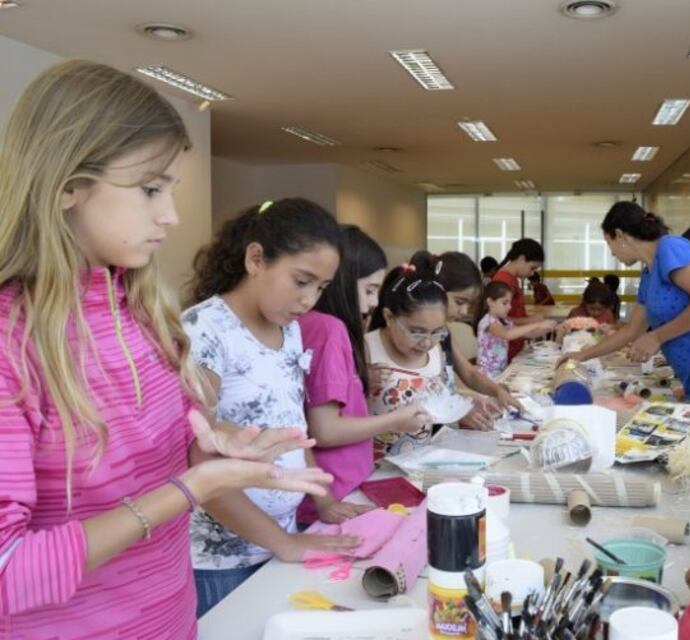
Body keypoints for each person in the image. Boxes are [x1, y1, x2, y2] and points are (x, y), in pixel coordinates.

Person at [0, 60, 331, 637]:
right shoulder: (12, 344)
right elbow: (9, 574)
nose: (172, 216)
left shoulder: (142, 314)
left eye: (171, 189)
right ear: (66, 188)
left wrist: (214, 448)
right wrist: (189, 491)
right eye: (150, 189)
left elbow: (151, 460)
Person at [184, 198, 363, 616]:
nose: (309, 300)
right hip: (223, 560)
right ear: (256, 259)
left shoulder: (291, 331)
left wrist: (320, 499)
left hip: (280, 542)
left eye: (321, 287)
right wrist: (283, 542)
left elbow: (293, 426)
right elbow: (201, 463)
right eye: (301, 281)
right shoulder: (203, 330)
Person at [298, 226, 429, 524]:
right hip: (335, 492)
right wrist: (396, 420)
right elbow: (324, 430)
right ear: (341, 281)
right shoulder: (329, 328)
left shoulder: (314, 325)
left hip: (338, 486)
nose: (372, 303)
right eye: (369, 290)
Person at [561, 203, 690, 403]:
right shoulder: (649, 272)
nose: (612, 253)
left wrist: (657, 337)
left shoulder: (670, 247)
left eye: (609, 243)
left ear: (620, 235)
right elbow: (632, 330)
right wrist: (582, 356)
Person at [408, 250, 525, 426]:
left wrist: (497, 391)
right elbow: (417, 392)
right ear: (436, 291)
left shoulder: (443, 333)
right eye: (460, 302)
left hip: (433, 430)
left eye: (468, 305)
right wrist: (459, 409)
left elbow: (469, 373)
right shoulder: (415, 338)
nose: (464, 312)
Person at [365, 266, 449, 457]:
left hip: (418, 462)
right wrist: (361, 383)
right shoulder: (367, 349)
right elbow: (338, 417)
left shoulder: (435, 351)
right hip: (372, 467)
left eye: (437, 332)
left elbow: (440, 398)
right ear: (388, 317)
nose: (427, 342)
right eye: (416, 332)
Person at [475, 281, 557, 378]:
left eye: (510, 303)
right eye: (505, 303)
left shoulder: (503, 322)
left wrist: (550, 326)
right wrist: (537, 324)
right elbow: (507, 334)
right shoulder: (487, 322)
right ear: (490, 302)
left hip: (500, 372)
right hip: (486, 375)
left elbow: (530, 334)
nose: (509, 307)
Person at [492, 238, 548, 361]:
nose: (532, 273)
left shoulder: (512, 279)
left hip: (514, 346)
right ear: (521, 259)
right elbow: (498, 320)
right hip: (505, 351)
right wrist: (529, 320)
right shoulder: (504, 281)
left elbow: (513, 313)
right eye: (532, 268)